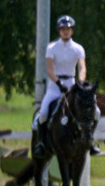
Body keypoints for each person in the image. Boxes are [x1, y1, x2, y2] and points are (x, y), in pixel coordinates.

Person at [32, 15, 100, 159]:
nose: (65, 31)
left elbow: (82, 68)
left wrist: (80, 84)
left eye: (68, 29)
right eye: (63, 29)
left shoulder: (78, 48)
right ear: (59, 31)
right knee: (43, 113)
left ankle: (90, 141)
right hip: (55, 86)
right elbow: (50, 70)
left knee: (97, 112)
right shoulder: (52, 48)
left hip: (73, 83)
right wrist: (59, 83)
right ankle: (41, 143)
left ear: (72, 31)